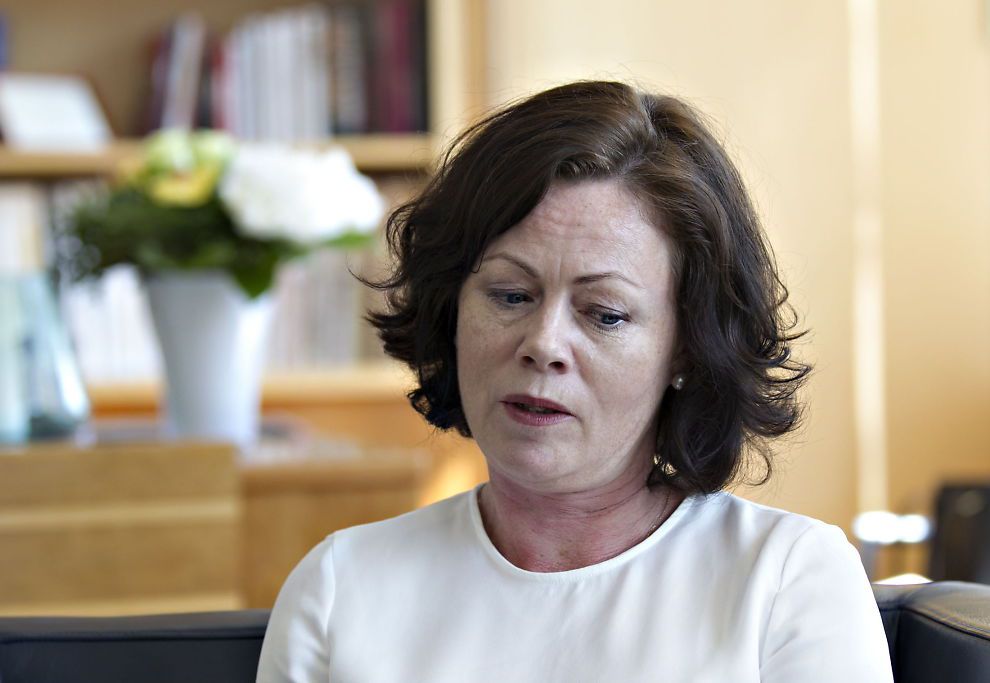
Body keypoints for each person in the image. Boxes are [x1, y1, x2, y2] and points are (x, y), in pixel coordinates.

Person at [256, 81, 894, 682]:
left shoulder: (786, 580)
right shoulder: (341, 589)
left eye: (605, 314)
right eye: (511, 295)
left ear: (687, 348)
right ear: (452, 312)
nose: (543, 344)